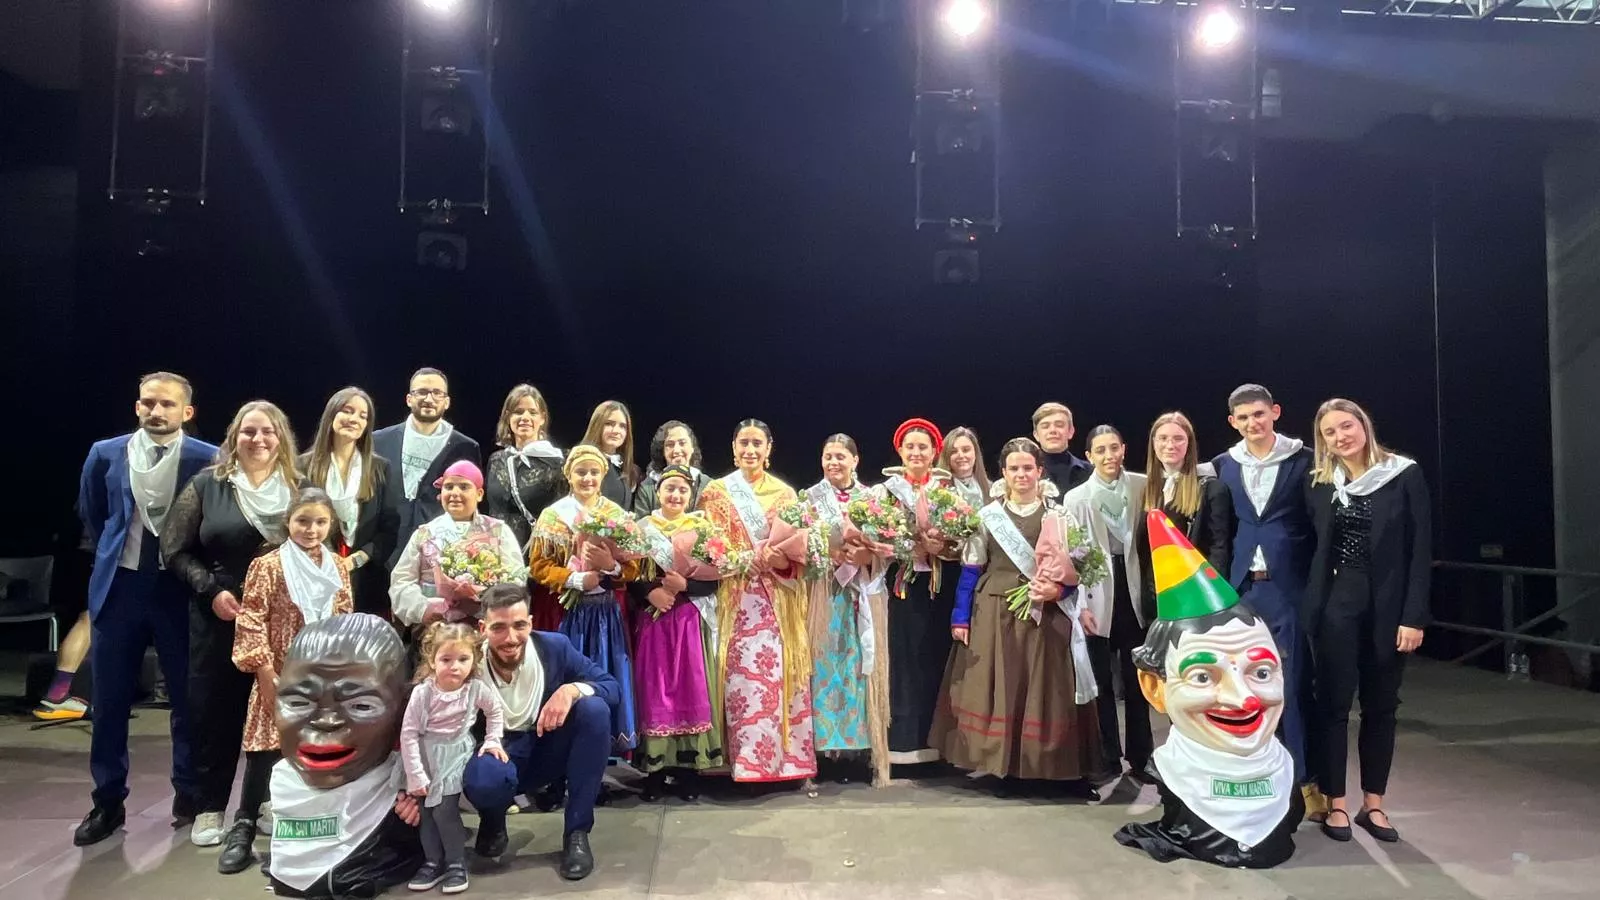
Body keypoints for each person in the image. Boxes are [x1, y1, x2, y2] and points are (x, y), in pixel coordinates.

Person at [72, 372, 217, 846]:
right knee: (110, 701)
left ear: (186, 412)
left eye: (167, 405)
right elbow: (95, 513)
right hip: (121, 588)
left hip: (178, 591)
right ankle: (107, 801)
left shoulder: (207, 458)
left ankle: (190, 794)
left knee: (186, 700)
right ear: (137, 406)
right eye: (149, 403)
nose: (157, 412)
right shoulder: (105, 452)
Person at [1114, 510, 1303, 868]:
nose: (1243, 698)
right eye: (1202, 676)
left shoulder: (1284, 771)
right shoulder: (1171, 768)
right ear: (1155, 688)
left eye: (1261, 672)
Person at [930, 437, 1101, 793]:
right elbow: (971, 569)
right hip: (994, 612)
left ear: (1039, 471)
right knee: (1000, 686)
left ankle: (1047, 766)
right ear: (1004, 474)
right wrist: (960, 617)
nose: (1021, 475)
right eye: (1014, 469)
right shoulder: (988, 516)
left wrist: (1060, 590)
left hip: (1047, 615)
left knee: (1045, 688)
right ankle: (1001, 764)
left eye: (1028, 468)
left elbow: (1077, 568)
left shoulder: (1058, 514)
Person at [163, 400, 299, 847]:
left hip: (280, 620)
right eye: (248, 431)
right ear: (233, 437)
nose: (258, 440)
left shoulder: (299, 489)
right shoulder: (207, 485)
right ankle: (209, 806)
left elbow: (321, 545)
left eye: (268, 432)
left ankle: (264, 800)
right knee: (214, 712)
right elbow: (174, 551)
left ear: (282, 439)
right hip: (220, 614)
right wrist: (211, 590)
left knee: (276, 712)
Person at [1304, 399, 1431, 844]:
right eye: (1330, 432)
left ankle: (1373, 803)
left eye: (1346, 425)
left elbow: (1420, 552)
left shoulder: (1403, 474)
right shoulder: (1320, 482)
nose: (1341, 437)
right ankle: (1335, 802)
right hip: (1337, 603)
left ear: (1364, 425)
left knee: (1381, 706)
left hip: (1388, 607)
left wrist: (1414, 616)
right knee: (1333, 705)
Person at [223, 487, 354, 873]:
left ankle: (310, 829)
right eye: (303, 521)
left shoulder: (337, 566)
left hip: (322, 674)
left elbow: (345, 619)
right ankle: (244, 825)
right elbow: (252, 619)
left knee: (316, 751)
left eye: (320, 522)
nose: (311, 529)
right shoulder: (268, 566)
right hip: (279, 671)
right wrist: (264, 672)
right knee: (264, 751)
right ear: (288, 522)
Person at [1210, 383, 1320, 813]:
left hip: (1288, 588)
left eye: (1259, 414)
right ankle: (1252, 778)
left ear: (1275, 411)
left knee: (1290, 687)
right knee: (1241, 688)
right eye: (1244, 418)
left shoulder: (1304, 461)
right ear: (1232, 422)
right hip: (1241, 589)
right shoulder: (1222, 465)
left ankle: (1305, 784)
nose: (1253, 423)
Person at [461, 583, 620, 881]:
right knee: (485, 778)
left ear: (531, 622)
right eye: (499, 628)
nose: (510, 638)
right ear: (482, 627)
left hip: (547, 749)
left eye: (519, 625)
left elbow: (611, 687)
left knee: (594, 710)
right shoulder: (466, 661)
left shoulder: (554, 647)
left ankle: (576, 834)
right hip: (497, 755)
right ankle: (493, 821)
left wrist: (571, 690)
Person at [266, 613, 425, 899]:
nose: (326, 722)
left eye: (361, 705)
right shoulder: (283, 785)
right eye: (298, 702)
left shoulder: (402, 798)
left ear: (403, 708)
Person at [696, 419, 818, 784]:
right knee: (736, 679)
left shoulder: (785, 495)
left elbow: (800, 555)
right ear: (733, 448)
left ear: (769, 449)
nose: (750, 450)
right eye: (743, 443)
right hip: (733, 596)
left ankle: (782, 761)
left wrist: (778, 559)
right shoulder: (716, 493)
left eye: (757, 444)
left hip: (775, 601)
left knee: (776, 675)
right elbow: (705, 545)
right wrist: (738, 559)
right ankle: (738, 760)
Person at [529, 444, 642, 756]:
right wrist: (575, 578)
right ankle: (561, 759)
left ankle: (600, 761)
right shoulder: (553, 516)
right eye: (581, 471)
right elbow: (539, 566)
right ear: (569, 475)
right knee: (569, 679)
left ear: (603, 475)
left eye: (594, 472)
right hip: (569, 613)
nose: (588, 478)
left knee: (605, 678)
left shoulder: (616, 516)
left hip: (607, 617)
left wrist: (610, 566)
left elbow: (633, 568)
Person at [629, 464, 726, 800]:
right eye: (669, 488)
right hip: (655, 618)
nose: (675, 495)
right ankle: (655, 771)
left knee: (690, 686)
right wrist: (649, 592)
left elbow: (718, 575)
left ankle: (688, 770)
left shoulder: (702, 527)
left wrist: (687, 584)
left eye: (683, 490)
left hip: (687, 617)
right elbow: (631, 571)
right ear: (657, 492)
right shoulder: (642, 528)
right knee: (656, 689)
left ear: (691, 495)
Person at [1063, 425, 1153, 783]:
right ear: (1089, 456)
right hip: (1097, 592)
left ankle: (1142, 756)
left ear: (1124, 449)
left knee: (1137, 679)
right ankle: (1107, 756)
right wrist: (1081, 603)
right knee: (1101, 680)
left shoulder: (1143, 486)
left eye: (1113, 448)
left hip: (1133, 590)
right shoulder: (1077, 498)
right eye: (1100, 450)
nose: (1108, 456)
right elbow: (1074, 555)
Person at [802, 435, 892, 785]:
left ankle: (860, 753)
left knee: (860, 671)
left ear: (856, 460)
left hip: (862, 595)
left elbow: (889, 549)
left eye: (840, 456)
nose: (833, 462)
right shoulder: (809, 499)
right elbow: (802, 545)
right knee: (822, 669)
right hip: (823, 594)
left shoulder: (873, 499)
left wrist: (868, 557)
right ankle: (823, 751)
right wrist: (828, 554)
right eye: (827, 456)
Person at [401, 622, 508, 894]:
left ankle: (455, 863)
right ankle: (432, 861)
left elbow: (495, 711)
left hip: (454, 755)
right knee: (426, 813)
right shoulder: (423, 693)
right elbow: (409, 733)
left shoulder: (474, 689)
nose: (455, 666)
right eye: (446, 659)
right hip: (424, 757)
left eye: (463, 659)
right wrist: (415, 774)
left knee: (444, 811)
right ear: (432, 660)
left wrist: (493, 739)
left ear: (473, 660)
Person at [878, 418, 960, 766]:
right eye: (909, 446)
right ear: (900, 450)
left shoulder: (948, 491)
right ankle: (902, 748)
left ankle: (940, 748)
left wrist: (940, 546)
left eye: (922, 447)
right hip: (901, 586)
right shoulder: (885, 492)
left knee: (936, 660)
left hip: (939, 589)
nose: (916, 452)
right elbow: (875, 537)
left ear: (934, 452)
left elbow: (961, 542)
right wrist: (902, 548)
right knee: (903, 660)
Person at [390, 460, 525, 630]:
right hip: (434, 628)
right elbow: (401, 582)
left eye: (464, 487)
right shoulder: (425, 533)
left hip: (484, 628)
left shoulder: (498, 531)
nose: (455, 493)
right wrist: (425, 609)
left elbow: (516, 580)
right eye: (449, 487)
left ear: (479, 494)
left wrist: (483, 603)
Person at [299, 387, 397, 616]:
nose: (354, 419)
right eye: (347, 411)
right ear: (331, 415)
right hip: (315, 577)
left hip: (368, 581)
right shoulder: (303, 467)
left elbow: (389, 529)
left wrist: (355, 560)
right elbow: (296, 522)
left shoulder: (380, 469)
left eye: (363, 416)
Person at [372, 368, 481, 569]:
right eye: (421, 392)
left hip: (439, 557)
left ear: (446, 402)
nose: (429, 399)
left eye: (437, 393)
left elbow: (471, 505)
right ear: (408, 399)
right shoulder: (378, 441)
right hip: (381, 556)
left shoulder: (465, 447)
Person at [482, 384, 568, 632]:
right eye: (518, 412)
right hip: (502, 561)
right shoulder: (497, 460)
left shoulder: (558, 462)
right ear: (507, 417)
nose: (525, 418)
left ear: (542, 418)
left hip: (539, 563)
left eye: (532, 412)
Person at [1135, 412, 1233, 625]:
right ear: (1153, 443)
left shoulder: (1210, 489)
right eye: (1163, 438)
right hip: (1158, 602)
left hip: (1196, 600)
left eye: (1178, 438)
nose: (1170, 445)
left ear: (1190, 444)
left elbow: (1219, 548)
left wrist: (1212, 599)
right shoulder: (1146, 491)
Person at [632, 420, 712, 517]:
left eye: (682, 443)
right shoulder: (647, 488)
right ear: (662, 451)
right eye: (670, 445)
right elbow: (640, 527)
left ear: (692, 448)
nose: (677, 450)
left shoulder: (708, 486)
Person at [580, 400, 641, 509]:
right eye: (609, 424)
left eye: (622, 426)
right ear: (597, 425)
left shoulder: (629, 470)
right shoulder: (581, 461)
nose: (616, 431)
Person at [1032, 402, 1092, 494]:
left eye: (1059, 425)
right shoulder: (1027, 474)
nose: (1052, 430)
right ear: (1036, 435)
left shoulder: (1090, 472)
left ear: (1071, 431)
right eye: (1045, 426)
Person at [939, 425, 992, 511]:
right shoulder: (938, 490)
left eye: (966, 450)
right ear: (946, 456)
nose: (961, 455)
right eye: (953, 451)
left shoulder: (992, 490)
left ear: (975, 453)